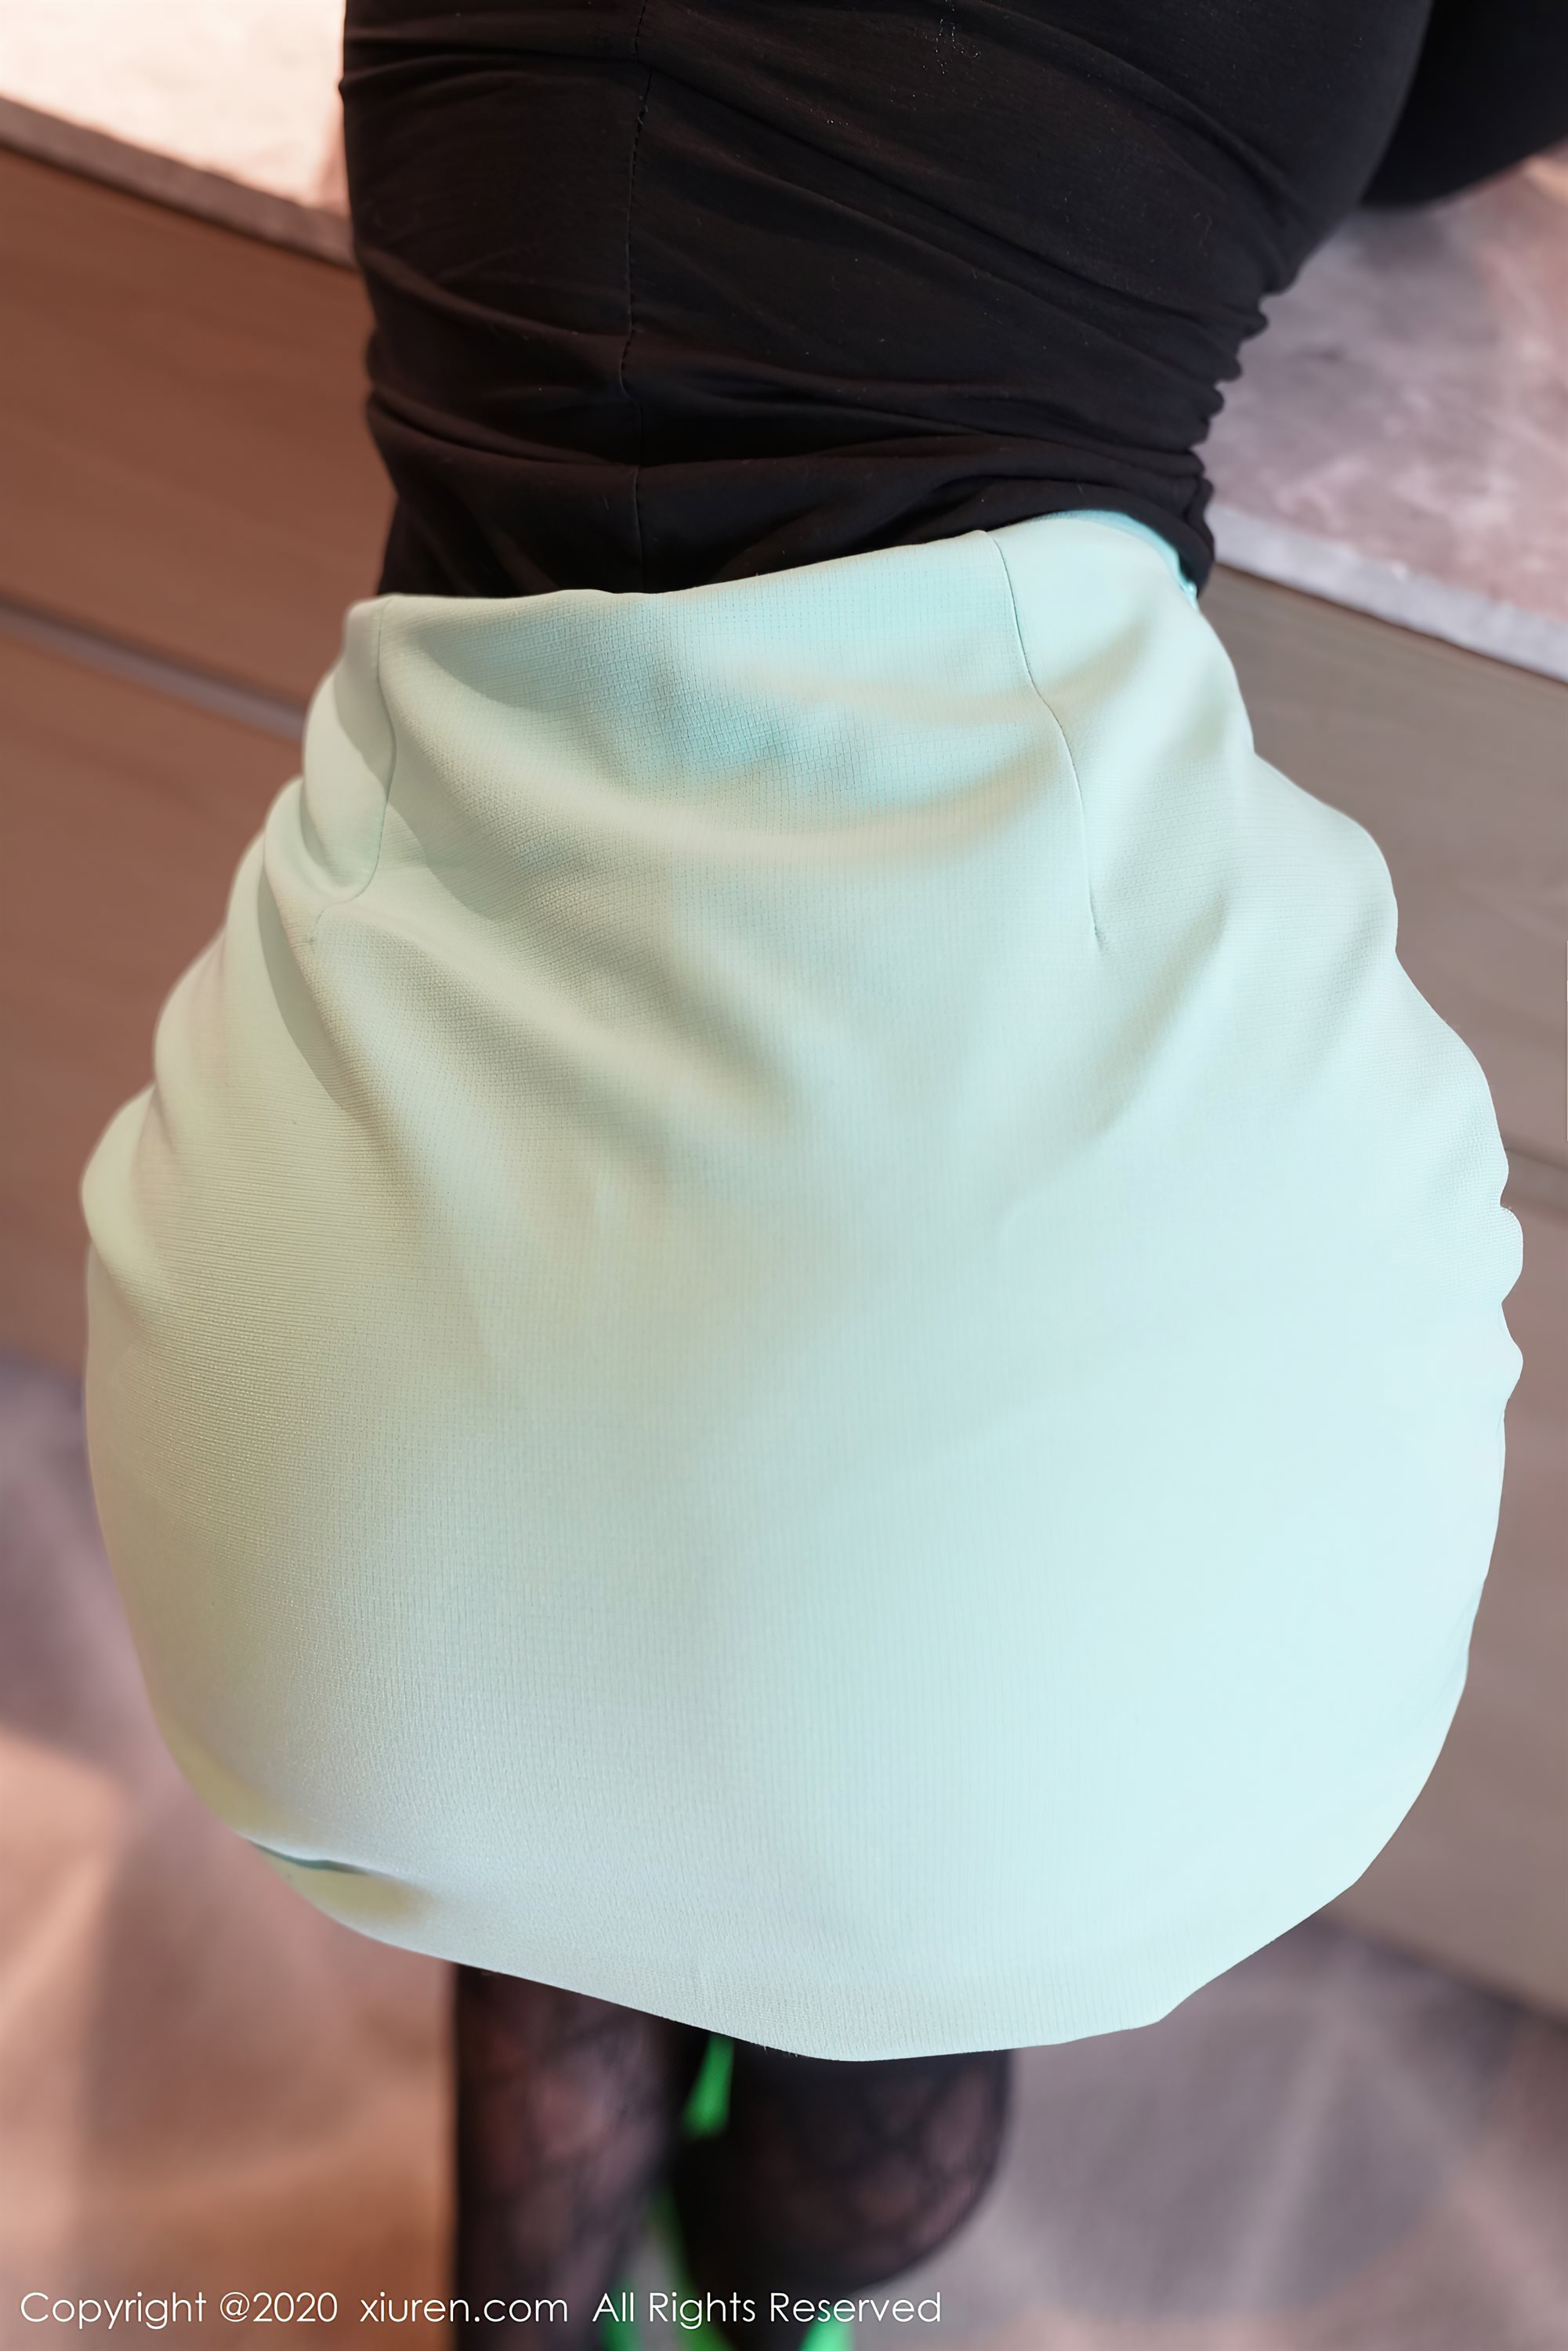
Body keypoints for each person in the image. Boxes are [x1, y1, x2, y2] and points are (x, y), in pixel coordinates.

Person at [78, 2, 1563, 2346]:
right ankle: (761, 2295)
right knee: (895, 1889)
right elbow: (1441, 130)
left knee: (554, 1781)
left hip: (347, 1517)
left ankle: (531, 2282)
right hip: (1038, 1571)